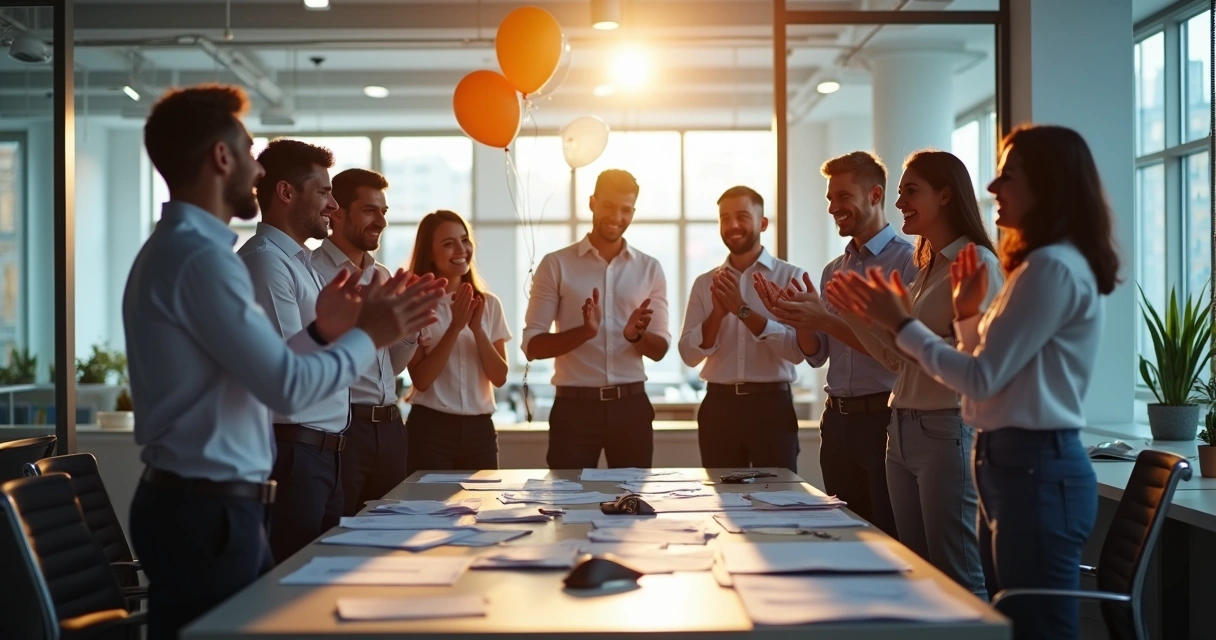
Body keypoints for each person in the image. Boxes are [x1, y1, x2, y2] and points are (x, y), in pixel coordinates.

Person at [125, 84, 443, 639]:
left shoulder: (186, 250)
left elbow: (262, 372)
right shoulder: (201, 260)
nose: (256, 168)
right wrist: (369, 334)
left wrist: (325, 330)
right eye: (249, 151)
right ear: (221, 158)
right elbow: (289, 389)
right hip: (205, 510)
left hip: (206, 504)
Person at [832, 125, 1119, 639]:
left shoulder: (1050, 267)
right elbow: (985, 365)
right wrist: (963, 320)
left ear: (1047, 184)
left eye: (1009, 175)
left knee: (1017, 617)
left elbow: (981, 378)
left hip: (1031, 462)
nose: (993, 188)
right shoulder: (1032, 265)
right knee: (977, 601)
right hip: (1011, 458)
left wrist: (902, 323)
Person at [822, 150, 1002, 599]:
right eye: (900, 191)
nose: (900, 201)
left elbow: (976, 365)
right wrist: (859, 314)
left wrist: (897, 322)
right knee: (917, 574)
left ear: (945, 195)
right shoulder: (927, 268)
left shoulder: (975, 263)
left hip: (944, 429)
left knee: (957, 577)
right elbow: (898, 361)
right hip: (900, 429)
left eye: (910, 191)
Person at [754, 151, 915, 539]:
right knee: (842, 535)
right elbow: (817, 353)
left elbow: (897, 355)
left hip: (883, 420)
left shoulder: (908, 263)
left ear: (875, 195)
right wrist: (799, 317)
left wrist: (824, 319)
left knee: (888, 536)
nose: (833, 207)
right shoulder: (833, 270)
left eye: (842, 196)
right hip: (837, 422)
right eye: (830, 198)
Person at [236, 139, 355, 563]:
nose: (333, 205)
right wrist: (367, 335)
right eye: (323, 191)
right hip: (294, 456)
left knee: (319, 585)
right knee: (291, 593)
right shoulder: (266, 264)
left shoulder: (301, 265)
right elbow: (292, 371)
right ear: (286, 193)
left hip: (323, 455)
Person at [522, 169, 670, 469]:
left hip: (631, 408)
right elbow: (532, 346)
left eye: (626, 209)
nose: (616, 216)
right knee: (568, 504)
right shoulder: (556, 265)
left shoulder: (650, 268)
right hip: (574, 409)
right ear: (592, 203)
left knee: (632, 505)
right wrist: (584, 332)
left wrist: (635, 336)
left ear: (633, 212)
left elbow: (660, 350)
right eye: (608, 206)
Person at [312, 168, 419, 516]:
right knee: (339, 532)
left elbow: (391, 366)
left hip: (390, 427)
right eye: (370, 210)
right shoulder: (312, 272)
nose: (381, 222)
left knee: (391, 533)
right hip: (344, 428)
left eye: (384, 212)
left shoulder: (383, 276)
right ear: (337, 211)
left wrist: (410, 332)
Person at [678, 186, 805, 472]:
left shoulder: (791, 277)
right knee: (722, 502)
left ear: (762, 223)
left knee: (778, 500)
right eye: (725, 218)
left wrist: (742, 310)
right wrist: (718, 315)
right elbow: (688, 354)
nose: (732, 225)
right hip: (718, 408)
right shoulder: (704, 283)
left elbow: (798, 351)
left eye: (742, 216)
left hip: (772, 407)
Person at [404, 210, 511, 473]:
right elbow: (421, 379)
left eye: (464, 240)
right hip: (430, 430)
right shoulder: (415, 306)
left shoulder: (489, 304)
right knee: (429, 510)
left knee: (482, 510)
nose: (461, 249)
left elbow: (499, 377)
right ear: (429, 253)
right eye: (448, 243)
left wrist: (477, 330)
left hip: (480, 431)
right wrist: (455, 326)